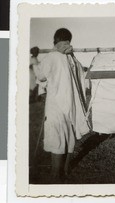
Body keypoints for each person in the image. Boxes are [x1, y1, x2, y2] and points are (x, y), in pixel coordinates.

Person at [31, 28, 90, 183]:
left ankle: (56, 175)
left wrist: (35, 61)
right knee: (68, 135)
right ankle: (64, 171)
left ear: (55, 40)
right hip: (72, 105)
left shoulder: (52, 56)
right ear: (69, 41)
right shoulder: (74, 59)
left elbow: (41, 76)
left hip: (56, 104)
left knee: (57, 137)